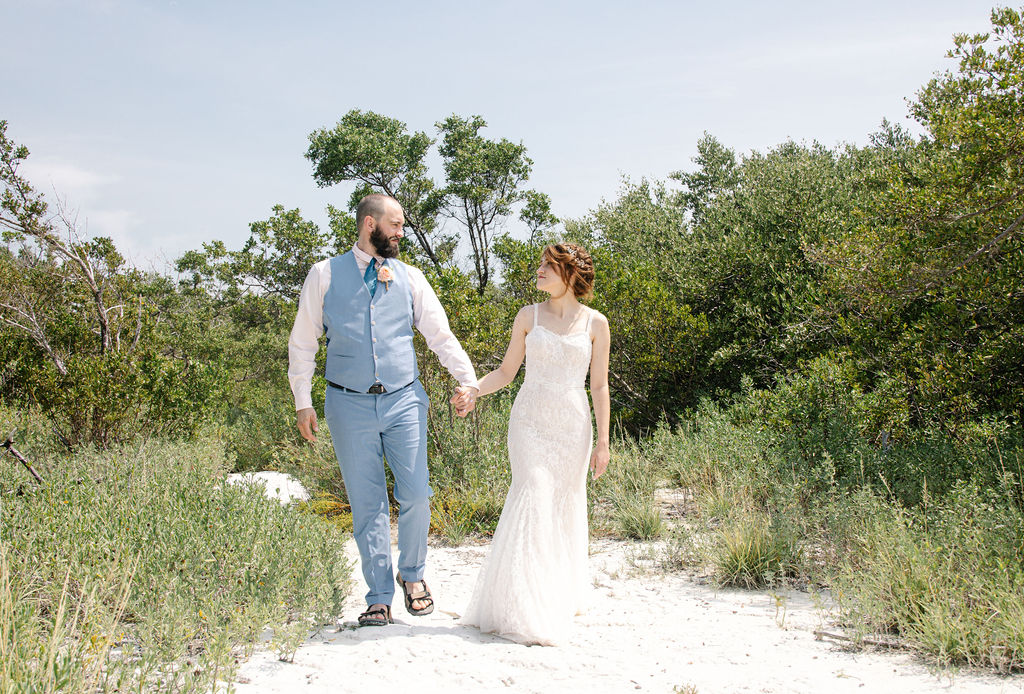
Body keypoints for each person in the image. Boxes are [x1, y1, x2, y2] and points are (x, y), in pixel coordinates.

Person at [288, 194, 479, 627]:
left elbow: (439, 334)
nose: (400, 232)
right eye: (395, 224)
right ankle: (379, 596)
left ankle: (413, 576)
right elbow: (303, 343)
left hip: (403, 400)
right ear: (369, 223)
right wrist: (303, 400)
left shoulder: (410, 276)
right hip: (347, 403)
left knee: (415, 493)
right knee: (366, 503)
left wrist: (467, 380)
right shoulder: (323, 275)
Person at [454, 242, 610, 645]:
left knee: (562, 506)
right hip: (529, 422)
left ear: (570, 274)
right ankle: (525, 607)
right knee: (534, 494)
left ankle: (556, 593)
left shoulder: (597, 323)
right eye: (541, 264)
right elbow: (507, 372)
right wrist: (473, 389)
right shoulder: (528, 316)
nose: (539, 270)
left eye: (548, 266)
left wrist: (604, 442)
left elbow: (599, 384)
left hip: (573, 426)